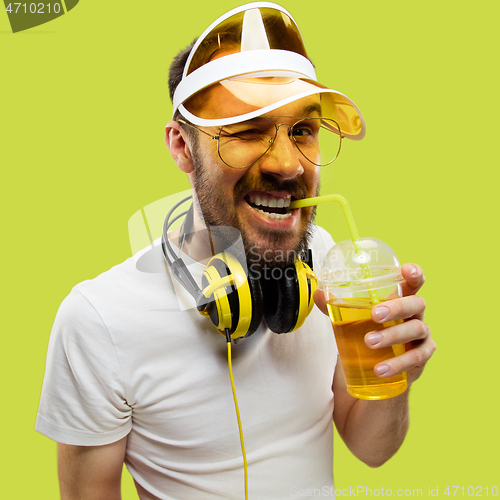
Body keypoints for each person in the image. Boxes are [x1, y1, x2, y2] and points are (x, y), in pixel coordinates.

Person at [36, 3, 436, 499]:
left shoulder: (329, 262)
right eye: (248, 130)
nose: (288, 165)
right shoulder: (97, 320)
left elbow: (372, 448)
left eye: (303, 130)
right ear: (182, 146)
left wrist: (393, 375)